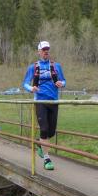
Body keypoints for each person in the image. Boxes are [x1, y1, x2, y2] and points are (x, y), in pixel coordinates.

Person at [22, 41, 66, 171]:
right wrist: (31, 88)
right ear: (39, 52)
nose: (46, 51)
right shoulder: (33, 67)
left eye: (47, 49)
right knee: (44, 129)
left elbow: (64, 80)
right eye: (43, 50)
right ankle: (47, 159)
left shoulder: (56, 66)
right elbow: (25, 83)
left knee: (51, 132)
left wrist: (61, 84)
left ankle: (40, 144)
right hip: (40, 101)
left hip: (54, 101)